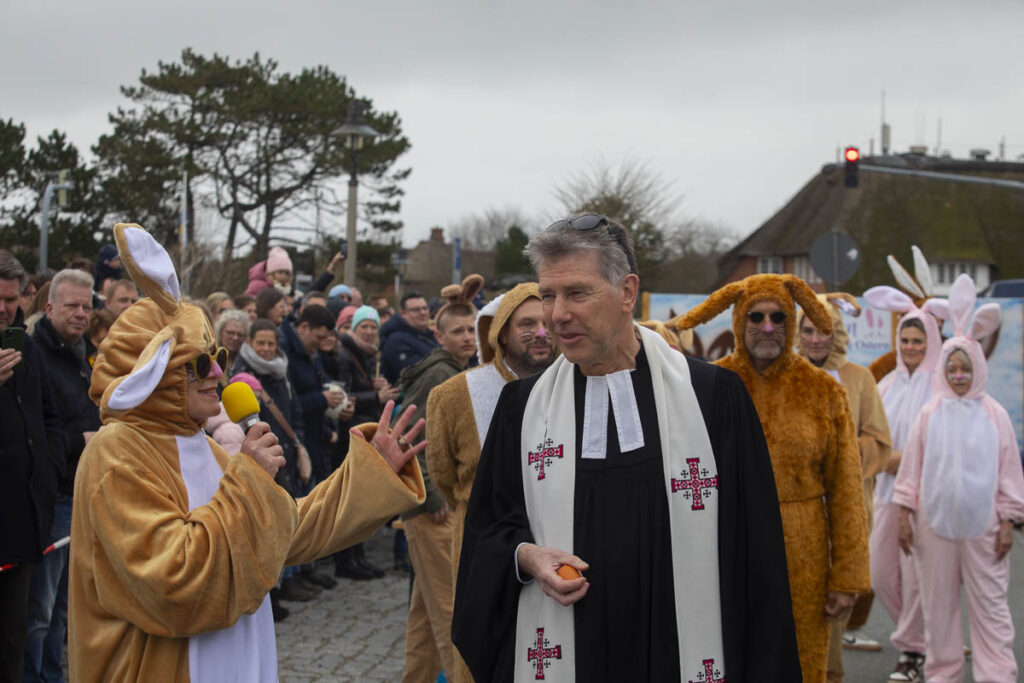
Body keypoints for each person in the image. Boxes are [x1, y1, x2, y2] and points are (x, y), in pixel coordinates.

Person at [68, 224, 427, 682]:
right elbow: (173, 583)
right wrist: (251, 482)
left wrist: (371, 473)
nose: (217, 370)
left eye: (216, 355)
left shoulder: (205, 445)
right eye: (198, 363)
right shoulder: (117, 452)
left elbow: (283, 532)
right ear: (153, 375)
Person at [454, 215, 800, 682]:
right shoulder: (522, 408)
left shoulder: (713, 399)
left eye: (577, 293)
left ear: (627, 292)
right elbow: (489, 531)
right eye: (549, 295)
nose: (557, 314)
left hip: (675, 653)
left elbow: (757, 554)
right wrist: (525, 556)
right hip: (570, 652)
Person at [677, 273, 870, 683]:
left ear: (793, 322)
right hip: (727, 545)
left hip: (804, 550)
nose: (768, 328)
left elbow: (847, 489)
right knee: (730, 655)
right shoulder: (709, 387)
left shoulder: (822, 390)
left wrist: (848, 575)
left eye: (779, 317)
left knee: (800, 662)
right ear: (738, 321)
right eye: (757, 317)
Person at [893, 273, 1024, 683]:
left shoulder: (995, 415)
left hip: (983, 529)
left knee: (991, 608)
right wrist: (903, 513)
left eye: (966, 367)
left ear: (978, 368)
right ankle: (943, 674)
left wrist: (1009, 520)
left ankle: (997, 675)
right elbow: (911, 468)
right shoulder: (930, 413)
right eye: (952, 366)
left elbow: (1009, 473)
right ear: (943, 369)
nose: (959, 374)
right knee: (939, 609)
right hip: (933, 527)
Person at [426, 282, 555, 683]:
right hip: (481, 545)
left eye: (546, 322)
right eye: (527, 323)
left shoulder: (573, 385)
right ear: (502, 332)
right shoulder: (454, 395)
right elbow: (445, 476)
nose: (541, 332)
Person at [796, 293, 893, 682]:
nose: (816, 339)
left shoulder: (859, 379)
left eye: (825, 331)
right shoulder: (783, 376)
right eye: (808, 330)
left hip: (843, 515)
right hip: (796, 515)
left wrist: (838, 455)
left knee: (833, 611)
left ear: (837, 333)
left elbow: (880, 443)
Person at [398, 276, 483, 683]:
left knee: (424, 613)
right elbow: (408, 438)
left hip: (430, 505)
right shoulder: (439, 376)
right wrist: (433, 499)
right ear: (439, 335)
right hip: (431, 509)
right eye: (458, 332)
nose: (467, 338)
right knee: (451, 609)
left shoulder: (455, 369)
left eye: (471, 330)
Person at [23, 269, 102, 682]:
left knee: (64, 608)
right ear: (49, 306)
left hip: (84, 494)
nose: (81, 314)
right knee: (40, 608)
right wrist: (80, 440)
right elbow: (38, 427)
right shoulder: (35, 355)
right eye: (72, 305)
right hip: (54, 496)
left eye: (87, 306)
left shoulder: (88, 356)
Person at [863, 284, 942, 682]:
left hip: (926, 500)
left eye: (918, 340)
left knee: (915, 579)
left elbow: (948, 445)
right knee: (879, 573)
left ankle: (912, 652)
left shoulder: (942, 385)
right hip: (886, 495)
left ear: (932, 342)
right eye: (906, 339)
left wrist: (905, 461)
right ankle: (926, 637)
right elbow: (871, 438)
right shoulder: (886, 386)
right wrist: (882, 460)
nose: (911, 347)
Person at [0, 251, 66, 682]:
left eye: (9, 298)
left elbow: (50, 416)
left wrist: (49, 467)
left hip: (22, 523)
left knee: (14, 639)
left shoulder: (24, 343)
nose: (4, 308)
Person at [332, 305, 400, 580]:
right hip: (349, 436)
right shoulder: (345, 354)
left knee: (360, 501)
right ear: (354, 329)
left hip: (362, 434)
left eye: (373, 327)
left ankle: (356, 556)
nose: (370, 331)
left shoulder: (367, 354)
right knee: (349, 502)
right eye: (365, 327)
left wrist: (374, 387)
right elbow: (344, 396)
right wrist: (376, 397)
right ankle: (346, 560)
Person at [380, 291, 438, 384]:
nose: (422, 313)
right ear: (403, 314)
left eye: (425, 308)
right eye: (416, 310)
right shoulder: (396, 341)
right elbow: (418, 376)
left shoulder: (429, 335)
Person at [214, 309, 249, 379]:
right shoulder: (212, 358)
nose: (235, 338)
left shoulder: (248, 362)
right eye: (230, 333)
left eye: (240, 334)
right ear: (220, 332)